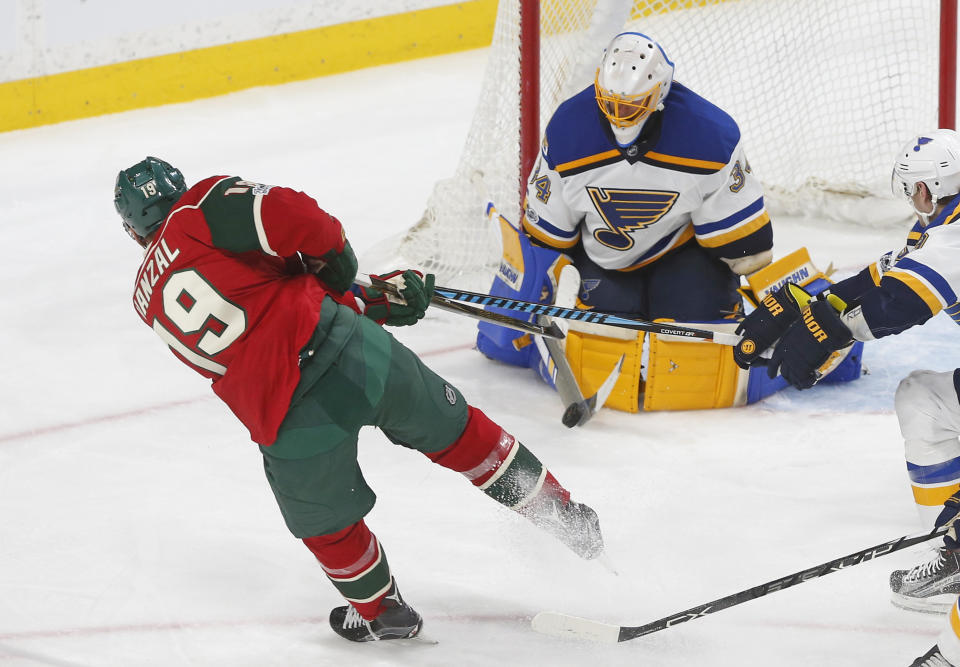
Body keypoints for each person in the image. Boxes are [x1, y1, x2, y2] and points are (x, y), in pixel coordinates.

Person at [113, 156, 603, 643]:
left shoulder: (144, 296)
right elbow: (301, 221)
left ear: (134, 232)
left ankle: (381, 609)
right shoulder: (201, 207)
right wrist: (353, 286)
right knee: (458, 433)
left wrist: (355, 294)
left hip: (284, 410)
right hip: (349, 349)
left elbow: (256, 316)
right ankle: (562, 514)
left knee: (325, 522)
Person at [731, 129, 960, 666]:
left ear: (928, 189)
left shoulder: (955, 239)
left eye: (914, 192)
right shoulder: (943, 228)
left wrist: (829, 328)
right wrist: (802, 303)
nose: (912, 203)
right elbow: (876, 280)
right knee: (922, 398)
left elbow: (896, 306)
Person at [476, 31, 780, 414]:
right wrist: (546, 286)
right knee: (604, 344)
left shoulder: (709, 135)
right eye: (610, 103)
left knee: (696, 353)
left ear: (660, 95)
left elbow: (747, 249)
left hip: (683, 253)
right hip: (605, 259)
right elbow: (546, 237)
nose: (620, 115)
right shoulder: (569, 131)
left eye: (633, 105)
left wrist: (762, 292)